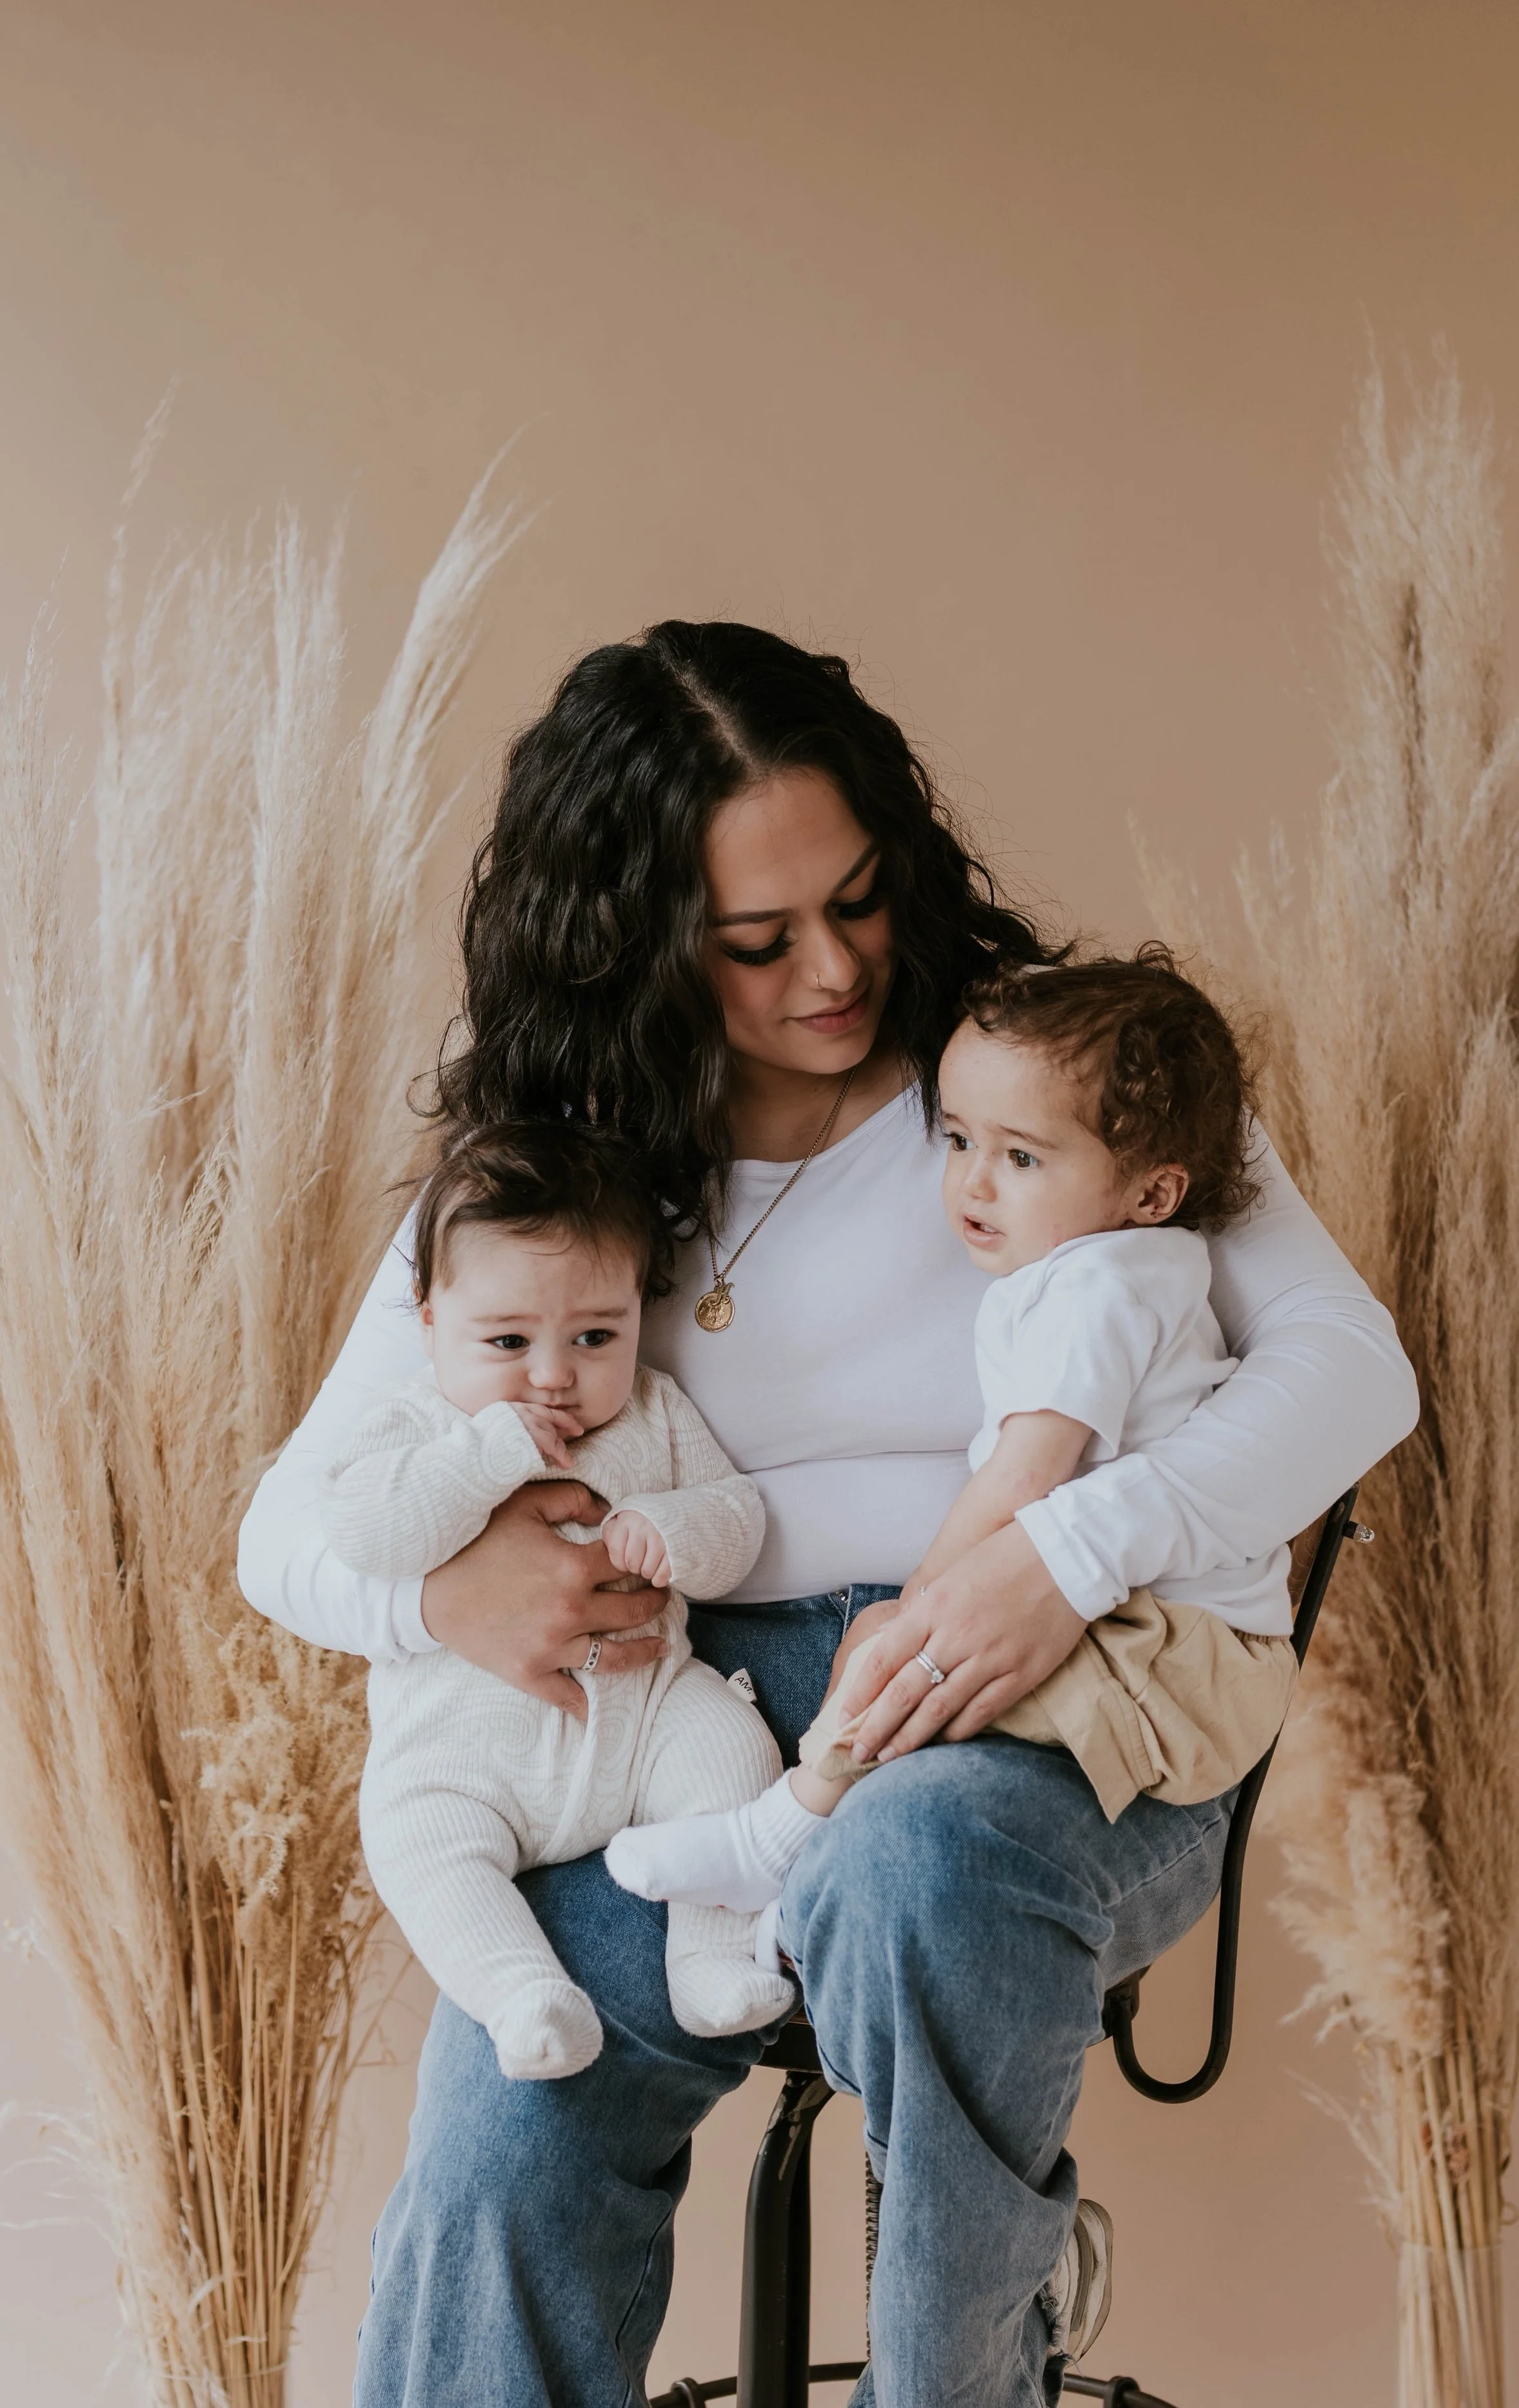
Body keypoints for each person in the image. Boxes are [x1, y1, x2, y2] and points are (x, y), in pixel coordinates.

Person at [236, 621, 1418, 2408]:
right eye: (756, 939)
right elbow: (284, 1532)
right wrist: (437, 1601)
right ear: (631, 941)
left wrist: (1058, 1554)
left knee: (915, 1863)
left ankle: (965, 2356)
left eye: (857, 899)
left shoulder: (1040, 1075)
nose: (836, 968)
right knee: (511, 2099)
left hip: (1055, 1724)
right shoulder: (559, 1166)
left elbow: (1350, 1374)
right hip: (698, 1746)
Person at [606, 947, 1301, 1939]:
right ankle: (792, 1878)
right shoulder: (1099, 1269)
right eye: (960, 1138)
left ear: (1152, 1193)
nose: (972, 1182)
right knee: (923, 1673)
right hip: (1136, 1615)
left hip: (1167, 1646)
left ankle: (776, 1848)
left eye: (1021, 1158)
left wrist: (917, 1603)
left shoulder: (1100, 1290)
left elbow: (1026, 1474)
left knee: (912, 1669)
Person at [323, 1117, 791, 2084]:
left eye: (595, 1336)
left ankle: (709, 1958)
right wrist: (484, 1452)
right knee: (413, 1837)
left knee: (733, 1748)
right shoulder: (415, 1422)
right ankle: (522, 1996)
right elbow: (368, 1533)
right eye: (508, 1340)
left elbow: (737, 1515)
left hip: (643, 1721)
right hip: (464, 1756)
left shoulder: (654, 1411)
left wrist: (675, 1527)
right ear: (429, 1321)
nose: (552, 1375)